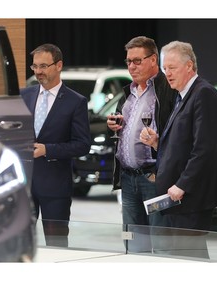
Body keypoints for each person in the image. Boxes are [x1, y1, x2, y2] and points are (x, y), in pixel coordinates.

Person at [140, 40, 217, 259]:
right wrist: (157, 143)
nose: (167, 73)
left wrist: (182, 185)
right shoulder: (183, 94)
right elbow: (184, 145)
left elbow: (205, 149)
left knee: (190, 256)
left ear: (189, 66)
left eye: (172, 68)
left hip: (189, 195)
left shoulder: (203, 94)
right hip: (177, 195)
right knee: (182, 256)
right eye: (165, 68)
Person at [107, 36, 177, 252]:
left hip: (155, 178)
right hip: (128, 180)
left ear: (154, 59)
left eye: (137, 61)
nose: (131, 66)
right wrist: (115, 125)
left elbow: (178, 133)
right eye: (128, 61)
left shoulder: (167, 89)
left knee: (161, 242)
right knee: (133, 244)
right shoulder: (128, 92)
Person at [20, 43, 91, 247]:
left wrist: (47, 149)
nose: (38, 72)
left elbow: (82, 145)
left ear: (59, 65)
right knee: (21, 244)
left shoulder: (75, 102)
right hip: (24, 186)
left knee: (56, 246)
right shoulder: (24, 96)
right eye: (34, 67)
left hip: (55, 188)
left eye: (43, 66)